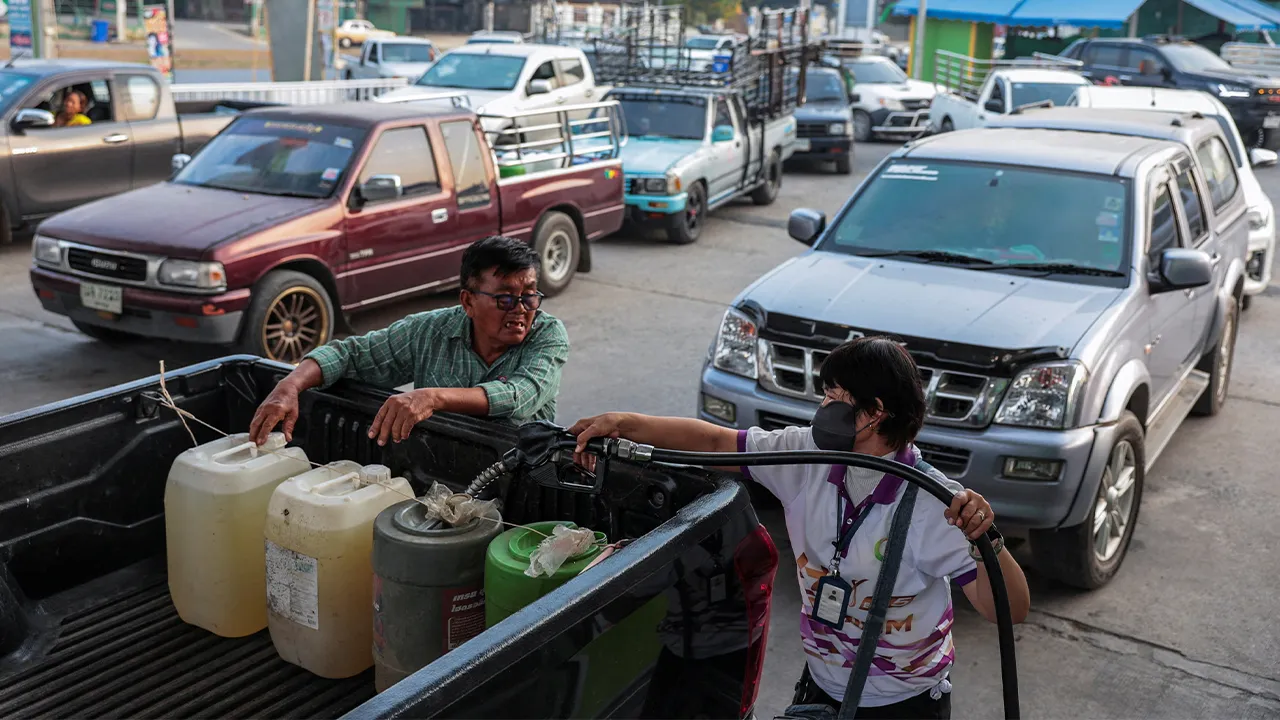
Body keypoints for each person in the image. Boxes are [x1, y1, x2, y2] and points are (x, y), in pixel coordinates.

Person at [571, 336, 1030, 719]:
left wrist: (983, 540)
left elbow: (1010, 610)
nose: (822, 406)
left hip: (905, 705)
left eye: (833, 397)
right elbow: (715, 441)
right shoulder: (805, 456)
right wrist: (624, 424)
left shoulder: (936, 503)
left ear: (873, 413)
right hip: (820, 689)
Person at [249, 236, 569, 446]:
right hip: (438, 470)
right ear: (468, 301)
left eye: (529, 296)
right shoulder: (427, 331)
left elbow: (517, 396)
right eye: (505, 299)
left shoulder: (548, 335)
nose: (521, 310)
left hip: (520, 474)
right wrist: (289, 385)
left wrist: (432, 397)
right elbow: (351, 354)